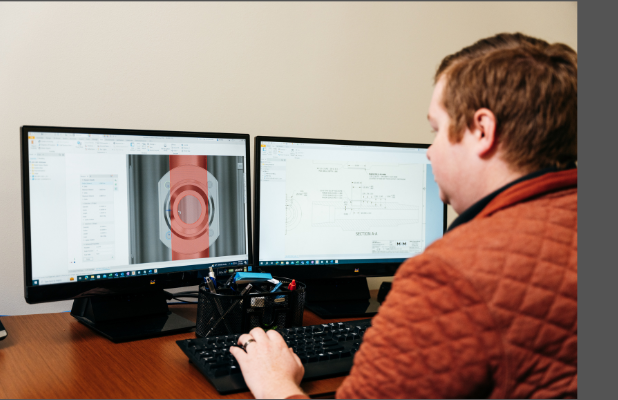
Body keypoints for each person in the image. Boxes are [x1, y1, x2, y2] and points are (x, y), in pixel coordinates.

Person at [230, 32, 578, 399]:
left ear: (482, 130)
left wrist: (274, 382)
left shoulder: (449, 275)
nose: (430, 152)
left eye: (437, 130)